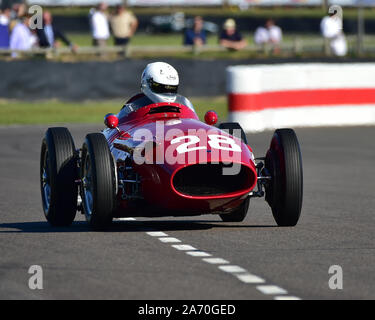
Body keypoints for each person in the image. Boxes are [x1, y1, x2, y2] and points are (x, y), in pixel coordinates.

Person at [118, 62, 195, 118]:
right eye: (161, 88)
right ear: (146, 83)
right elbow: (118, 123)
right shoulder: (134, 105)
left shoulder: (185, 103)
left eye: (172, 88)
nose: (167, 93)